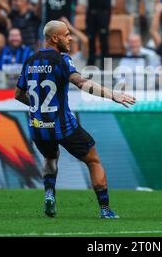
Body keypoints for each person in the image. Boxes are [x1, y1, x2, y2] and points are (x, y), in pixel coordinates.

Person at [14, 20, 136, 218]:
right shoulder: (62, 59)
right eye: (66, 34)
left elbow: (18, 94)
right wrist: (112, 94)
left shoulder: (30, 61)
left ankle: (49, 193)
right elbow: (81, 82)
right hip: (63, 125)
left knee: (50, 157)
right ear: (55, 38)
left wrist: (38, 109)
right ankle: (105, 210)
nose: (70, 38)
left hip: (38, 126)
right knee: (93, 160)